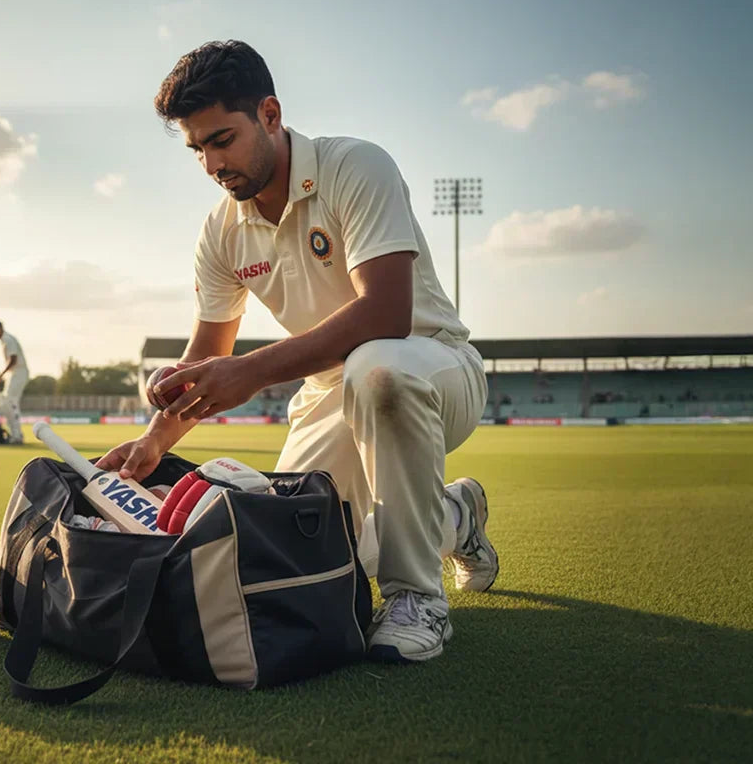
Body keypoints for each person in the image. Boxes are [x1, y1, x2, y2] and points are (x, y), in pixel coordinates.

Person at [97, 40, 497, 663]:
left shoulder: (355, 167)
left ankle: (419, 599)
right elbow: (208, 354)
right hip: (327, 395)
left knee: (377, 369)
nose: (211, 164)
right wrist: (153, 441)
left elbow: (387, 313)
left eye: (223, 140)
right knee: (295, 554)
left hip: (429, 366)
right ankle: (454, 515)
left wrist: (251, 372)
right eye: (197, 148)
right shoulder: (221, 229)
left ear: (271, 115)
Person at [0, 320, 27, 445]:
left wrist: (0, 376)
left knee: (11, 402)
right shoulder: (5, 340)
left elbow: (13, 360)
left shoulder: (8, 339)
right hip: (13, 374)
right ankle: (14, 434)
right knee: (5, 404)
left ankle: (17, 435)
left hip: (18, 373)